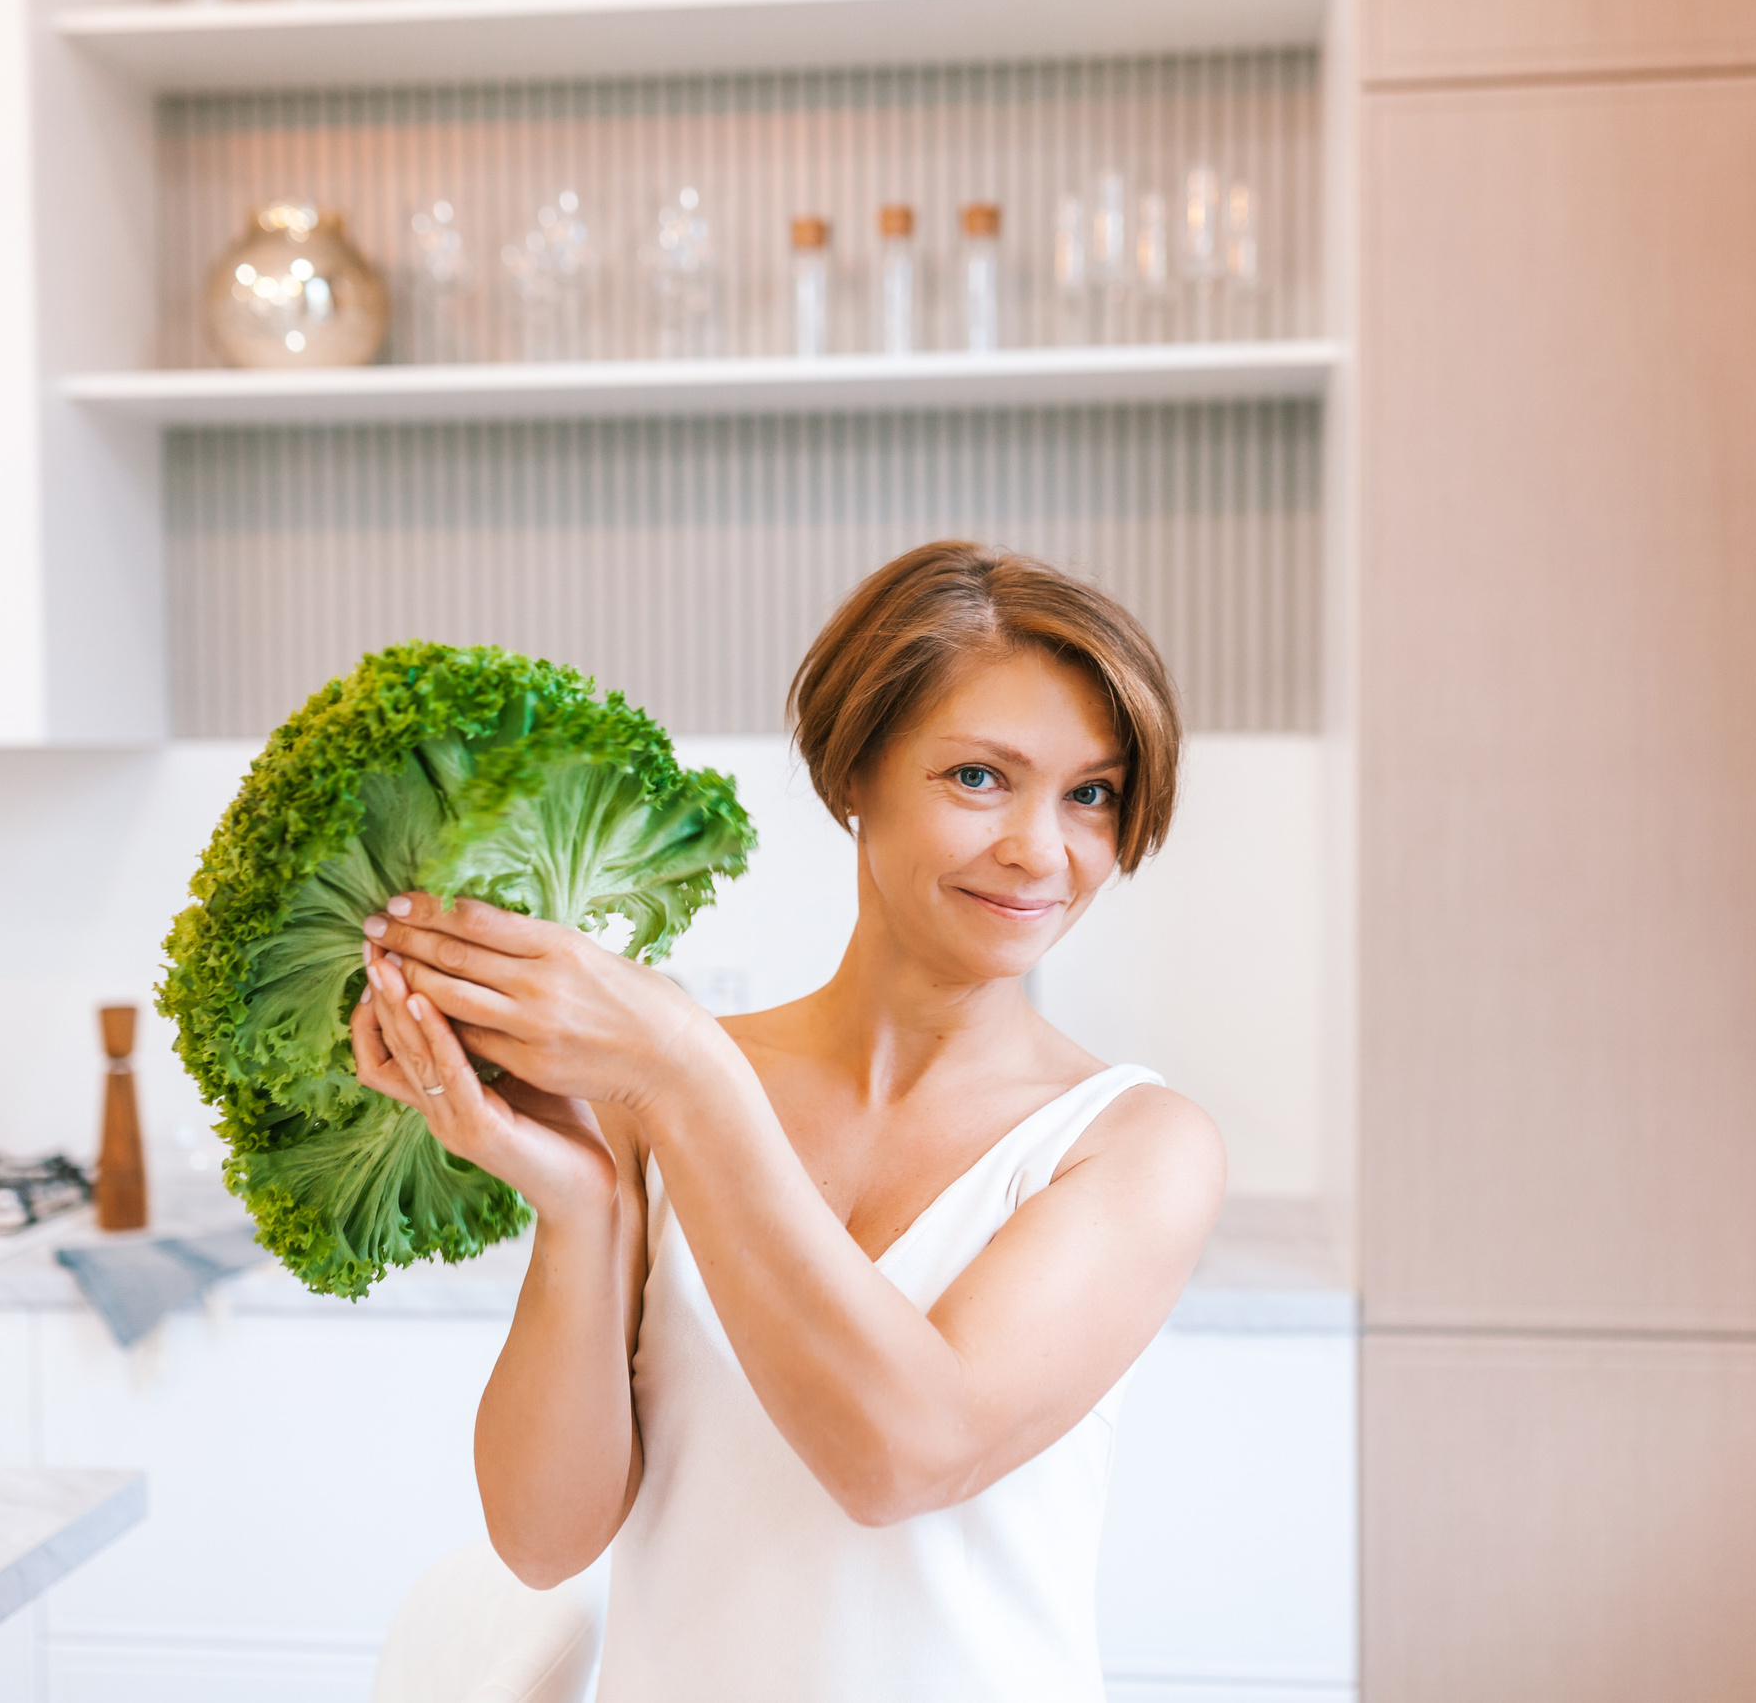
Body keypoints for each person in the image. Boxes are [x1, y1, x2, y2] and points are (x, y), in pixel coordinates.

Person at [350, 541, 1226, 1701]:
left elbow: (903, 1456)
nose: (1038, 848)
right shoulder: (656, 1096)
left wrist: (686, 1075)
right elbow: (543, 1537)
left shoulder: (1132, 1146)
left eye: (1091, 795)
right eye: (977, 778)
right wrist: (578, 1203)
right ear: (854, 772)